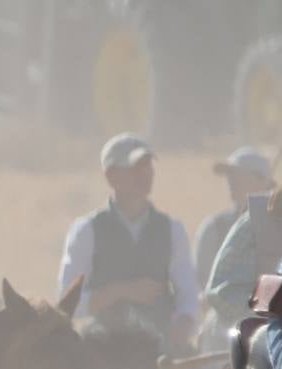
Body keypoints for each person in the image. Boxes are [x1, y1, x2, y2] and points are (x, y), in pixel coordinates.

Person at [56, 133, 199, 352]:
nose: (145, 174)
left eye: (148, 166)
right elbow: (69, 305)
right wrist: (121, 291)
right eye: (135, 167)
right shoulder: (86, 230)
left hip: (160, 349)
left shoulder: (172, 229)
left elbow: (187, 294)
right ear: (110, 176)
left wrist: (184, 323)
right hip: (101, 350)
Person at [197, 147, 273, 294]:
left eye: (238, 175)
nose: (231, 181)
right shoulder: (213, 228)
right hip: (223, 314)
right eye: (230, 176)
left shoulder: (277, 227)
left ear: (261, 181)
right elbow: (202, 282)